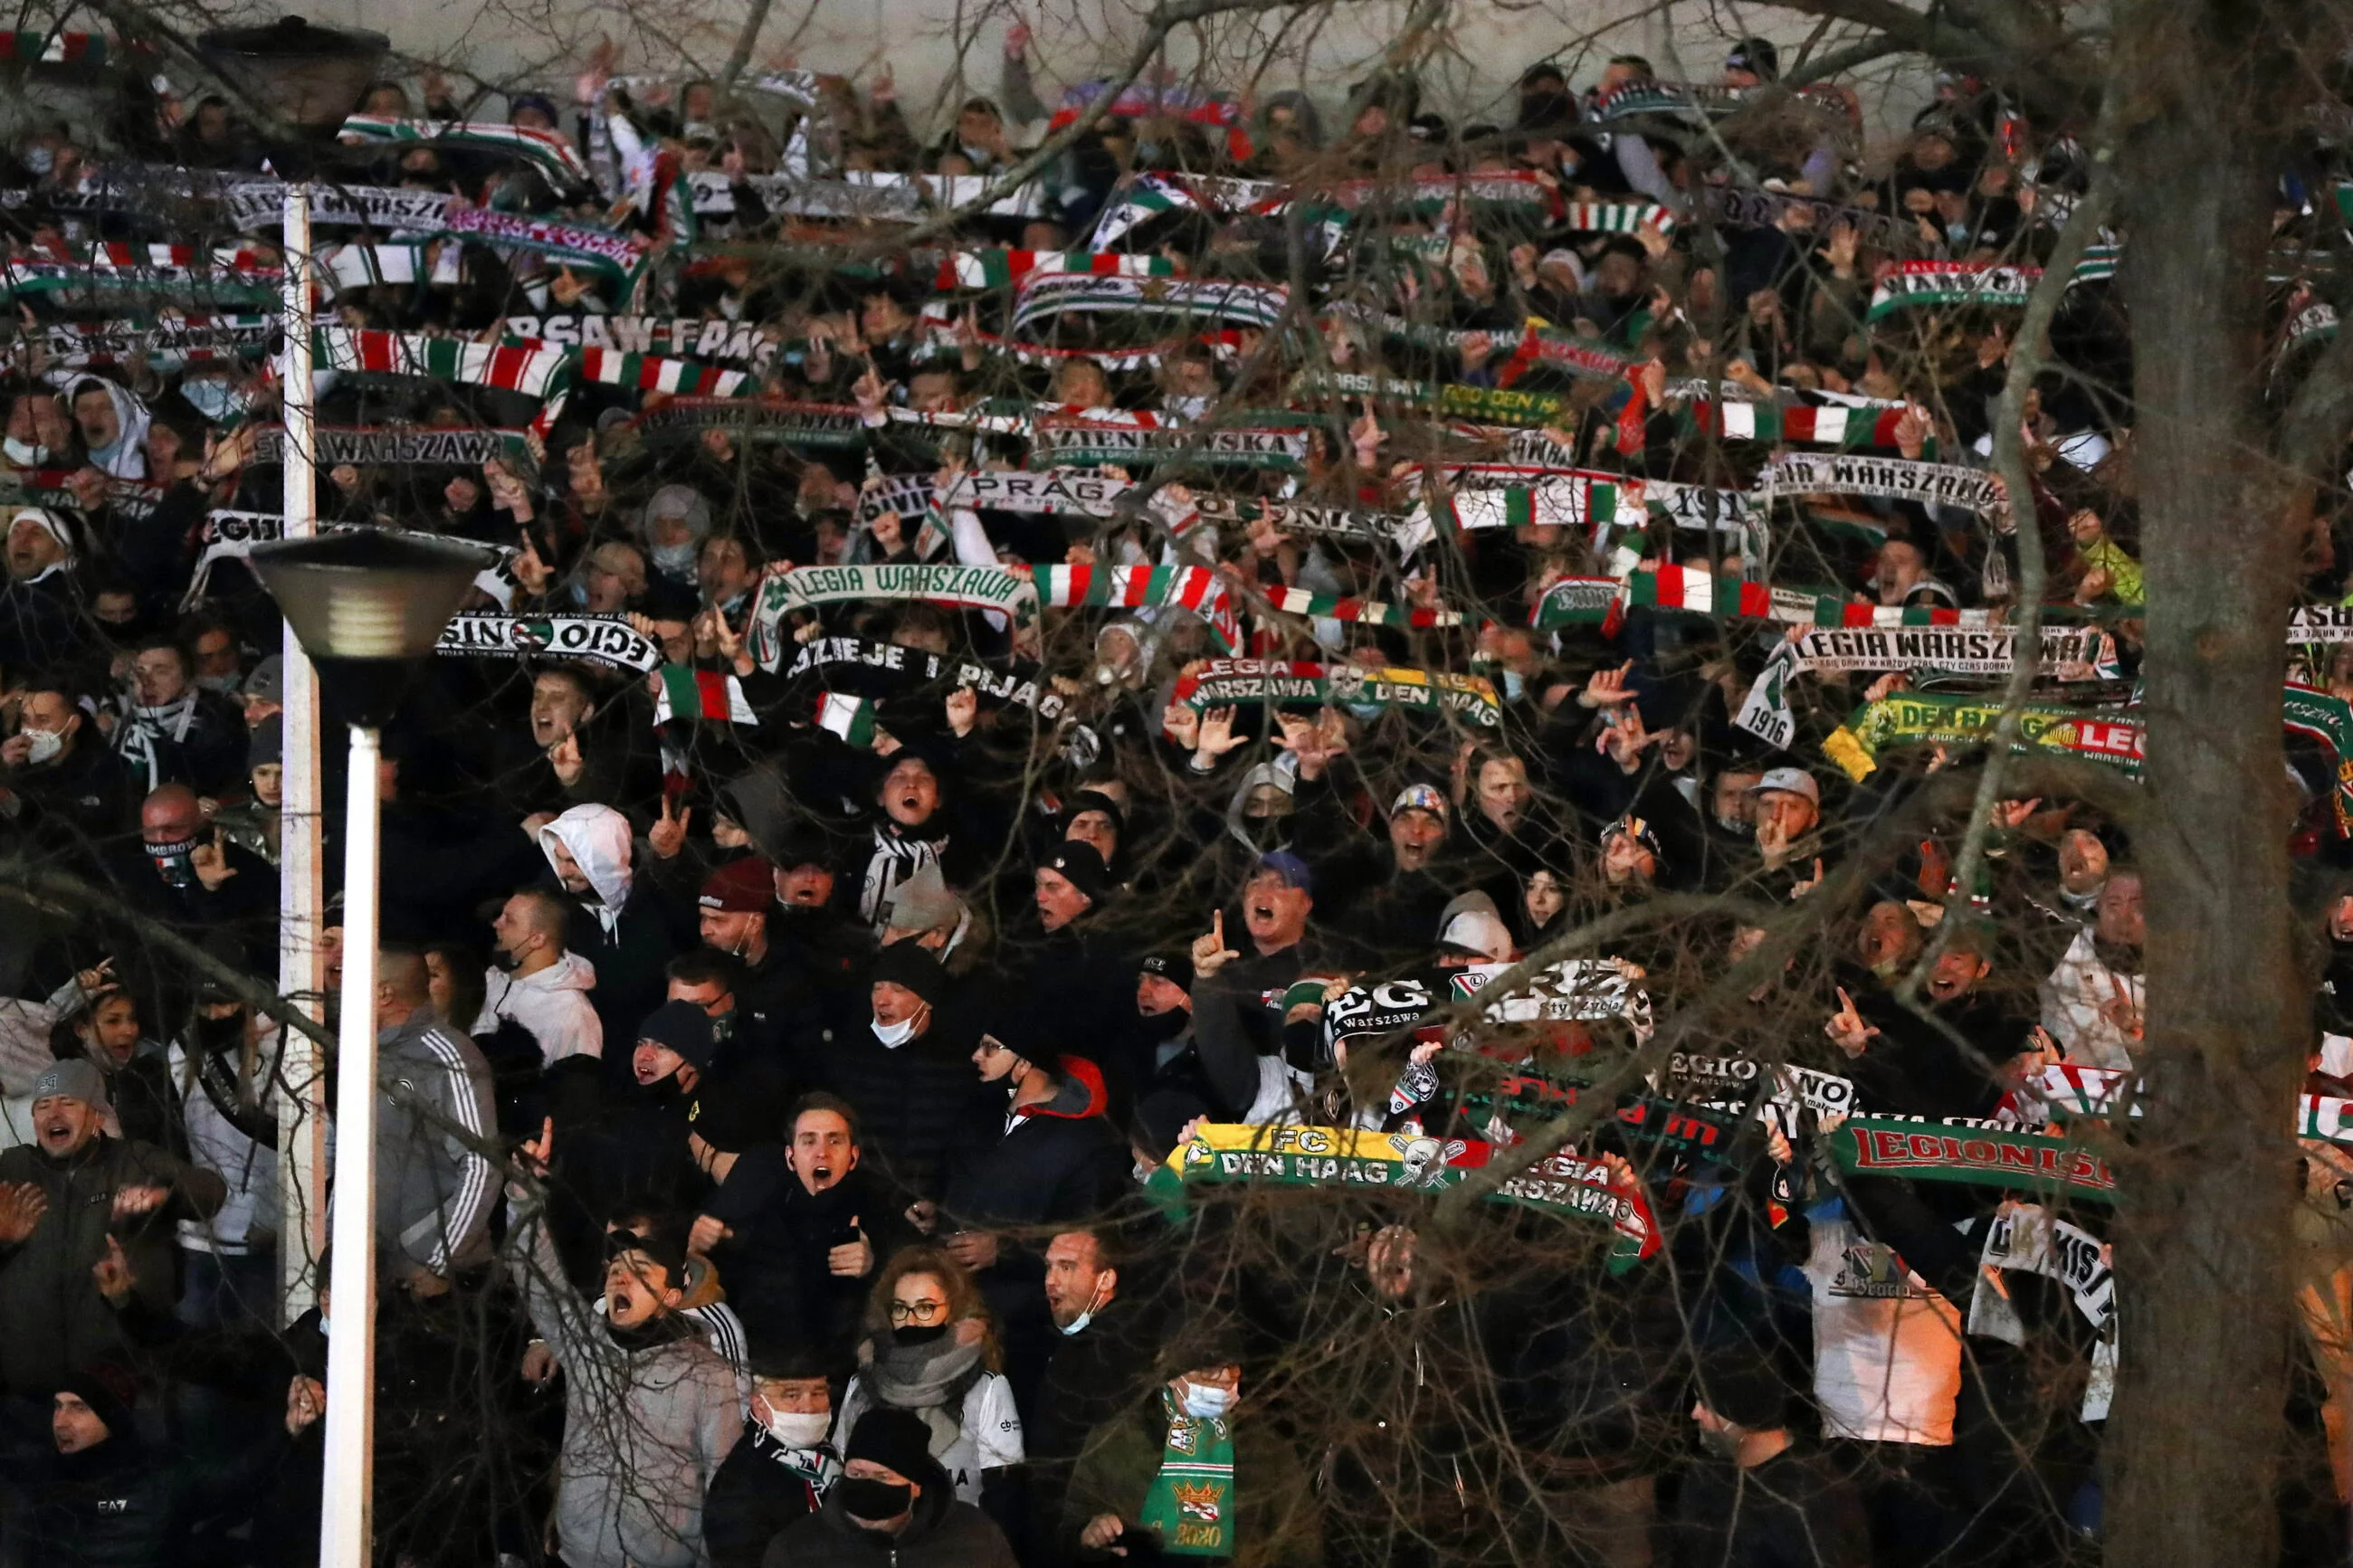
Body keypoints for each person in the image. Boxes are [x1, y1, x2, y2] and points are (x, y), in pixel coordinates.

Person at [512, 1121, 743, 1568]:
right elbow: (538, 1280)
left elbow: (724, 1487)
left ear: (670, 1297)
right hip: (578, 1555)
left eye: (639, 1270)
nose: (620, 1275)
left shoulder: (707, 1374)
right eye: (616, 1267)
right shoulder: (586, 1346)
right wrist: (523, 1193)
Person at [0, 1060, 226, 1399]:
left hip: (116, 1393)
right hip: (25, 1395)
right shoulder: (13, 1168)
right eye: (43, 1106)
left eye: (68, 1102)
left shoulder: (133, 1161)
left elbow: (211, 1192)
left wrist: (162, 1194)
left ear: (96, 1115)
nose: (54, 1114)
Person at [833, 1245, 1024, 1516]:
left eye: (925, 1308)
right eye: (900, 1308)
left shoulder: (985, 1387)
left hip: (957, 1542)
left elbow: (1004, 1491)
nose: (911, 1321)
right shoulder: (863, 1383)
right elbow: (842, 1474)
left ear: (954, 1310)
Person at [1671, 1347, 1872, 1568]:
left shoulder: (1808, 1495)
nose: (1695, 1413)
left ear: (1737, 1411)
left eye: (1705, 1404)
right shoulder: (1706, 1476)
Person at [762, 1406, 1018, 1567]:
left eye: (882, 1476)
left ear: (915, 1486)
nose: (866, 1485)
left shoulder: (975, 1537)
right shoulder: (796, 1550)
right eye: (857, 1473)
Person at [703, 1341, 842, 1568]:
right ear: (759, 1406)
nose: (808, 1407)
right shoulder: (740, 1482)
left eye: (818, 1393)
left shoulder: (827, 1456)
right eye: (791, 1395)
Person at [474, 888, 605, 1067]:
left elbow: (574, 1086)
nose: (497, 924)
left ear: (537, 940)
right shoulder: (493, 979)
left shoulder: (572, 1013)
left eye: (509, 920)